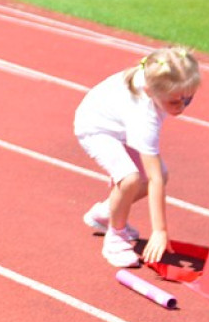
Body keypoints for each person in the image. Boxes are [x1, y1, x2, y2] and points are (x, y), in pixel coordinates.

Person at [73, 46, 201, 268]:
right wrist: (160, 231)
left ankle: (106, 212)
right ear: (151, 91)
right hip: (96, 127)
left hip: (120, 124)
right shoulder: (144, 116)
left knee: (160, 173)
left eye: (188, 100)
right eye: (175, 102)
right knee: (130, 178)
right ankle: (115, 238)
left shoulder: (159, 78)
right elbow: (154, 181)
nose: (182, 107)